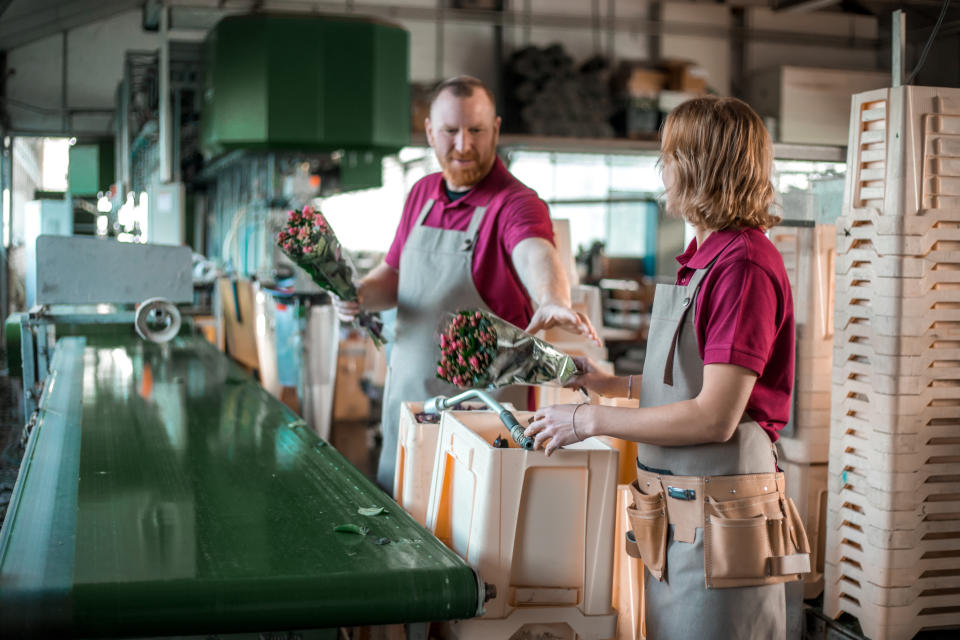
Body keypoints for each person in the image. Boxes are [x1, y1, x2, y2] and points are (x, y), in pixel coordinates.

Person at [526, 96, 810, 639]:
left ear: (699, 166)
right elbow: (686, 384)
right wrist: (606, 384)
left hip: (723, 520)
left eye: (670, 155)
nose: (663, 170)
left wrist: (590, 420)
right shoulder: (703, 258)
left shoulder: (742, 267)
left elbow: (713, 417)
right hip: (680, 516)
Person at [335, 75, 599, 490]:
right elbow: (394, 276)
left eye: (476, 130)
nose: (463, 145)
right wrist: (360, 294)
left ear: (494, 128)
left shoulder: (516, 203)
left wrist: (552, 297)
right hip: (408, 408)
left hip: (481, 422)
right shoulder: (421, 193)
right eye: (450, 131)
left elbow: (534, 251)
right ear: (429, 133)